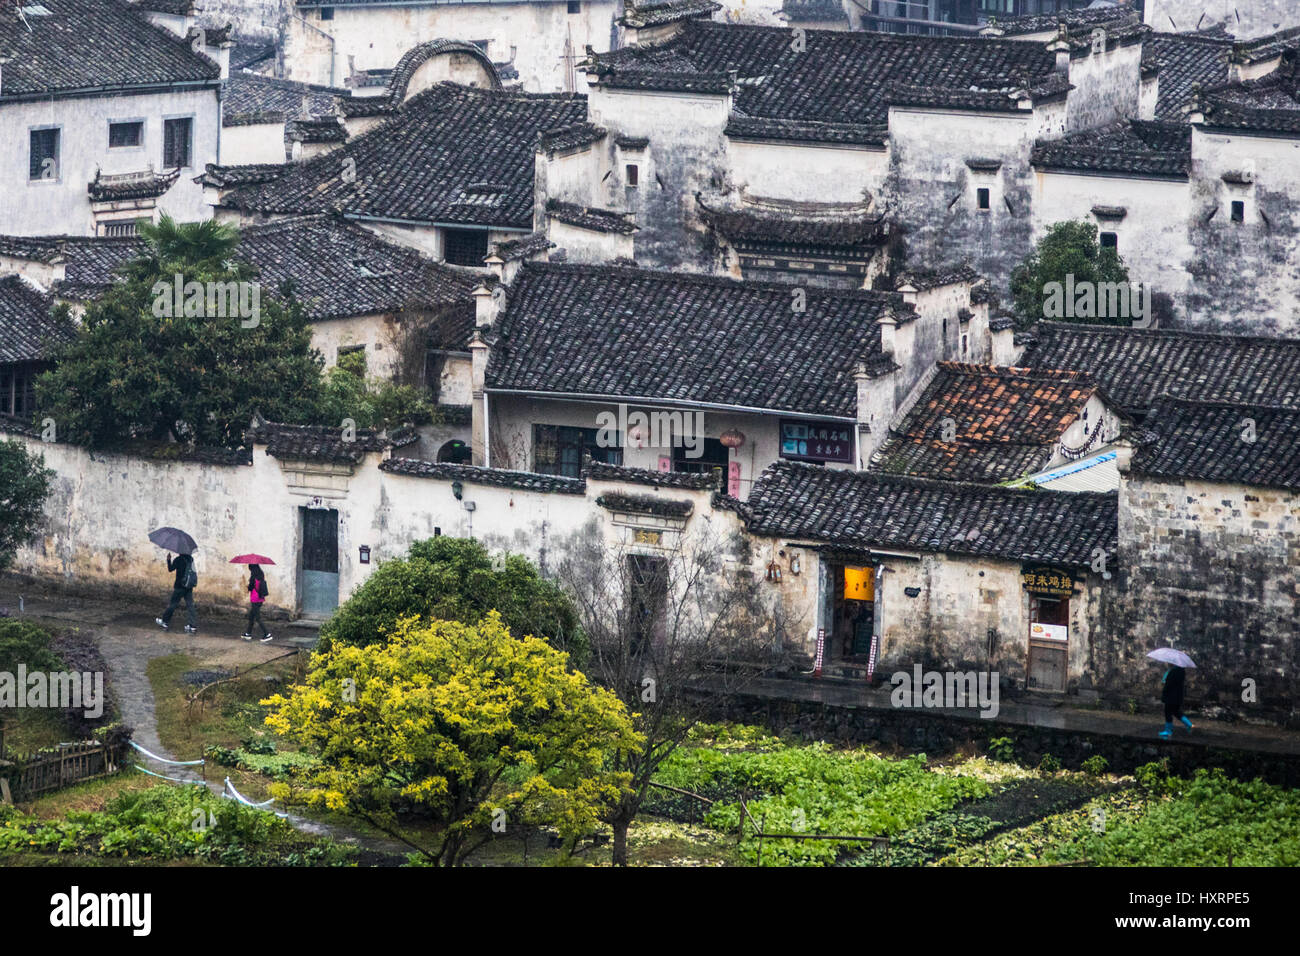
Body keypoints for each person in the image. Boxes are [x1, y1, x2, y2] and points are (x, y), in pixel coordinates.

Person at [156, 552, 197, 633]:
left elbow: (170, 569)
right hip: (188, 586)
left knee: (173, 604)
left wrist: (168, 560)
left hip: (179, 586)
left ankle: (165, 621)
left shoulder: (178, 559)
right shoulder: (191, 559)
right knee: (190, 605)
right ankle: (192, 625)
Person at [1159, 665, 1194, 738]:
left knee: (1168, 712)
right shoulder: (1182, 671)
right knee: (1176, 712)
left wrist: (1165, 683)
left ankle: (1168, 731)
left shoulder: (1173, 671)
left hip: (1170, 697)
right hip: (1178, 697)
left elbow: (1168, 684)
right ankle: (1189, 724)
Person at [242, 564, 272, 644]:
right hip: (260, 598)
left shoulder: (253, 577)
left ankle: (267, 634)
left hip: (255, 599)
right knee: (251, 616)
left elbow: (251, 587)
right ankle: (248, 633)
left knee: (258, 618)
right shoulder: (260, 575)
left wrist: (247, 587)